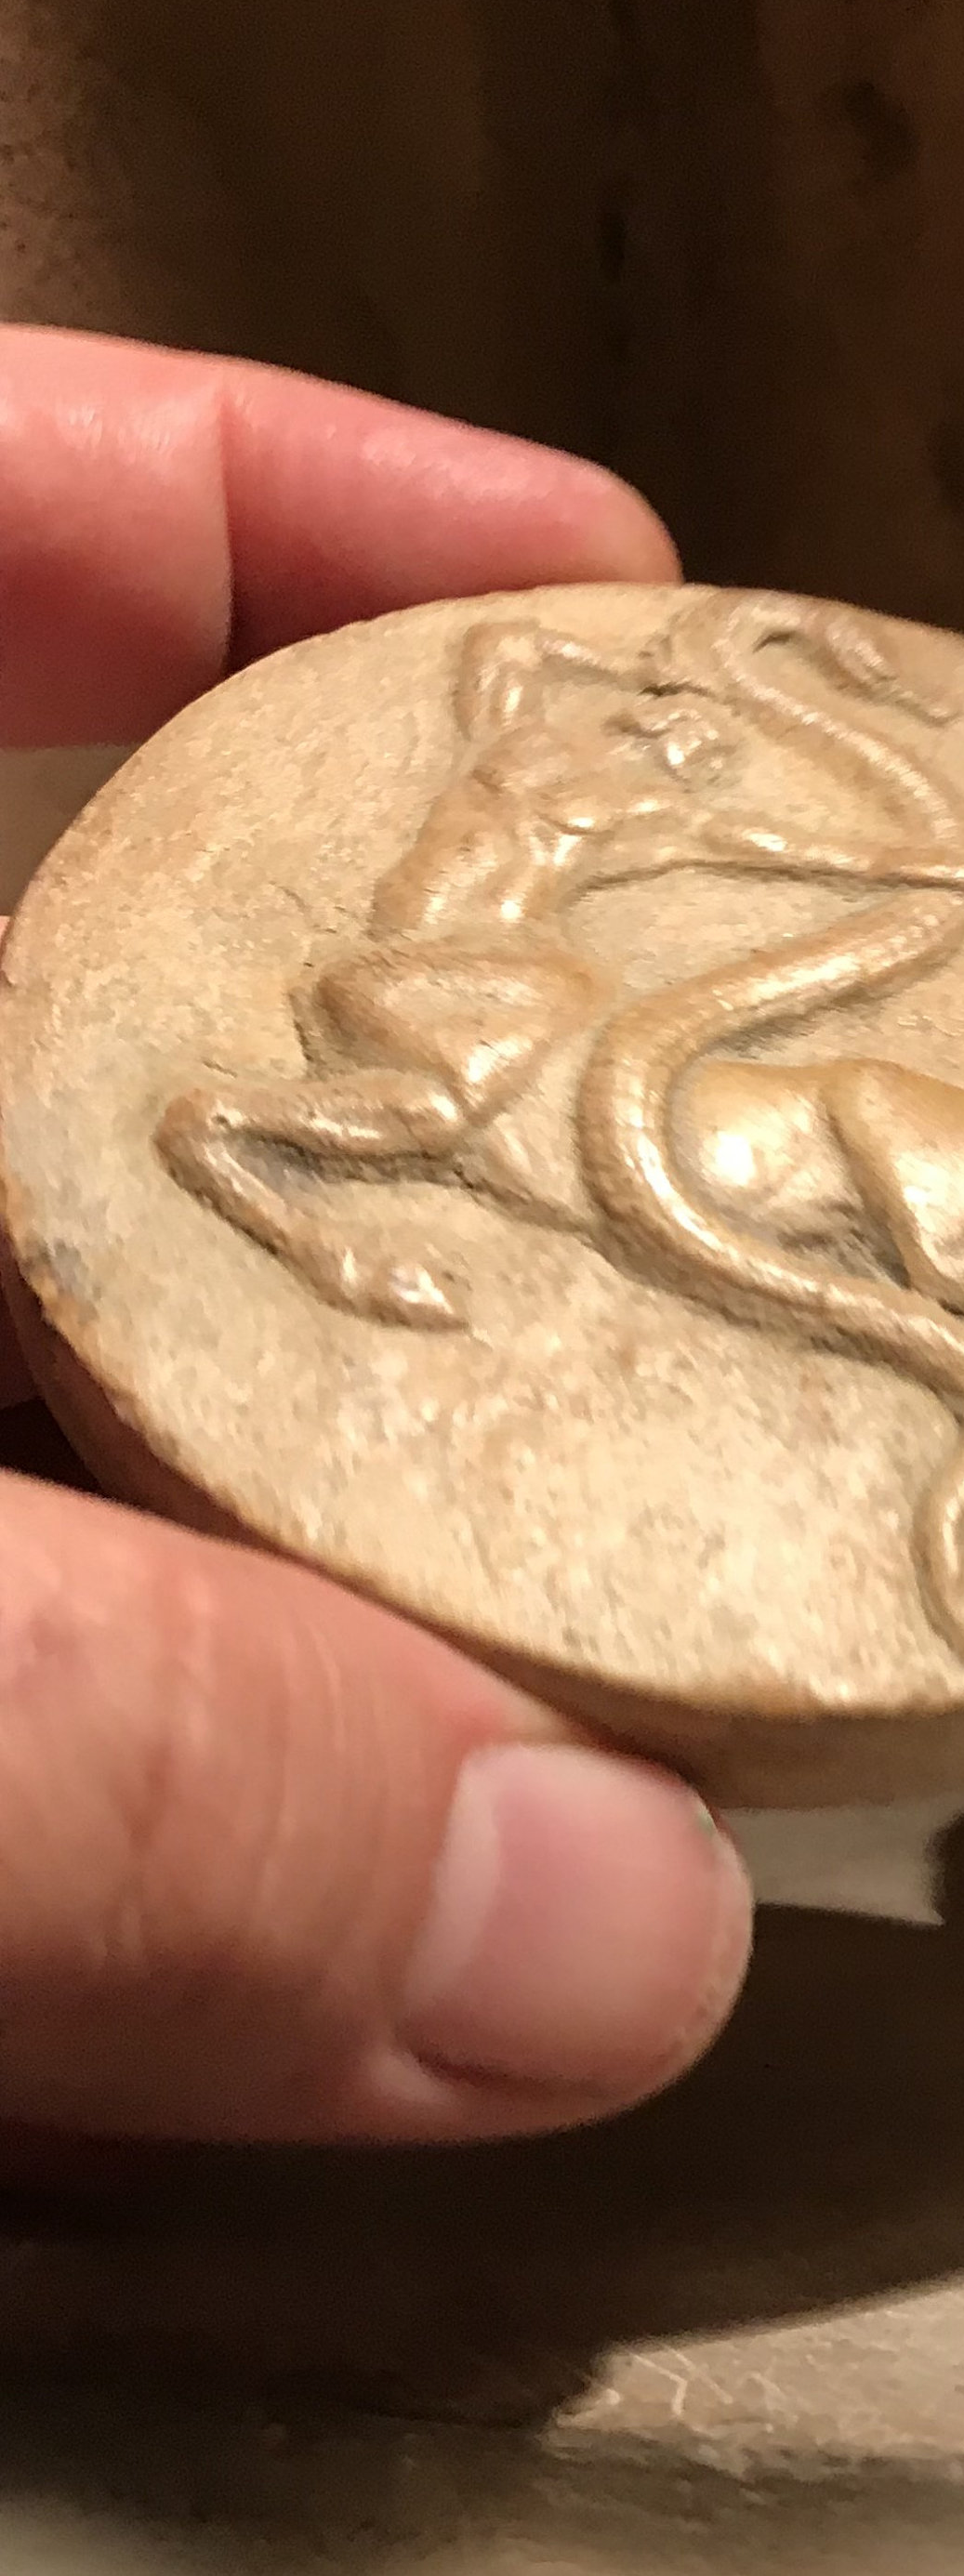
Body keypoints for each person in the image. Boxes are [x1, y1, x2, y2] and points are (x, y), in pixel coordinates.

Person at [0, 325, 753, 2177]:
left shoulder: (529, 734)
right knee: (485, 1107)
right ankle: (310, 1208)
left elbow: (519, 659)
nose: (669, 749)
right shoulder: (586, 774)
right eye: (660, 729)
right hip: (451, 987)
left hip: (447, 966)